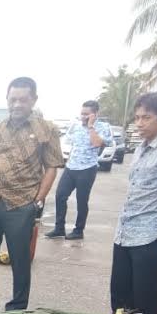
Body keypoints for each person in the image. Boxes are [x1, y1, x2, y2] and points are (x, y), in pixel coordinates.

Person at [0, 77, 63, 312]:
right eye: (12, 99)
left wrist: (38, 200)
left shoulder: (47, 130)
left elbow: (51, 167)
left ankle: (17, 310)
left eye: (23, 99)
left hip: (21, 205)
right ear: (7, 99)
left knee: (20, 261)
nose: (17, 104)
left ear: (33, 99)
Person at [111, 90, 157, 314]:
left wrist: (156, 204)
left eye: (146, 117)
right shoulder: (140, 148)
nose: (139, 123)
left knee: (144, 293)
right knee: (120, 291)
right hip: (125, 232)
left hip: (150, 234)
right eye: (137, 117)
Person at [46, 100, 113, 240]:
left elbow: (96, 143)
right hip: (71, 167)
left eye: (87, 114)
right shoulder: (75, 125)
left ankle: (78, 230)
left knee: (81, 200)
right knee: (60, 195)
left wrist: (90, 126)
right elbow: (71, 143)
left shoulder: (103, 127)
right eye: (82, 114)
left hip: (87, 169)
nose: (83, 117)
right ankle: (59, 228)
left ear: (95, 114)